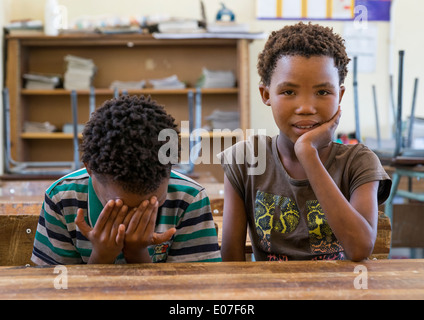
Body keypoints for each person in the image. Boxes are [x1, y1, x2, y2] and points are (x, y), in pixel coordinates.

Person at [219, 22, 391, 262]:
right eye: (289, 92)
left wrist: (307, 154)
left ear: (339, 95)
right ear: (266, 94)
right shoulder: (244, 160)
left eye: (322, 92)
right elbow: (232, 261)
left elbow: (360, 249)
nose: (306, 108)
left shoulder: (359, 163)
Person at [32, 95, 221, 265]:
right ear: (90, 168)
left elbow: (194, 291)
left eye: (153, 205)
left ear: (171, 167)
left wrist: (137, 254)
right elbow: (55, 290)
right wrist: (102, 256)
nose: (132, 223)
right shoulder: (61, 199)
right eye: (121, 208)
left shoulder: (190, 198)